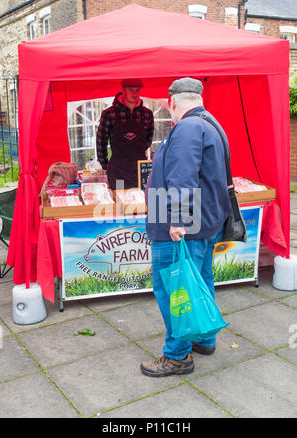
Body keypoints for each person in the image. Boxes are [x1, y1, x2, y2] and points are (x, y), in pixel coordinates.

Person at [140, 77, 230, 377]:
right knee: (199, 281)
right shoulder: (210, 123)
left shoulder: (187, 127)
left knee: (174, 289)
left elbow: (183, 176)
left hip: (180, 229)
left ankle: (178, 355)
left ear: (172, 102)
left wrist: (177, 221)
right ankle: (204, 338)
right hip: (203, 226)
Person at [96, 78, 154, 190]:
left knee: (142, 204)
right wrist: (105, 166)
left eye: (137, 90)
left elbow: (148, 140)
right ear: (123, 90)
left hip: (140, 170)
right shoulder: (109, 114)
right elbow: (101, 141)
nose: (135, 93)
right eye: (131, 90)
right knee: (120, 206)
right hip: (118, 171)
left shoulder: (147, 114)